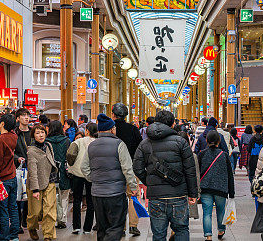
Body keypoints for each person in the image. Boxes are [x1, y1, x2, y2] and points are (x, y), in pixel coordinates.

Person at [133, 110, 199, 241]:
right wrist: (193, 193)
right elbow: (190, 170)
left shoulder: (145, 143)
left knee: (158, 234)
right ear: (173, 123)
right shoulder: (181, 142)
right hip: (178, 195)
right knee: (181, 230)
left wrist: (150, 182)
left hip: (156, 197)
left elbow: (137, 167)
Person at [82, 114, 139, 241]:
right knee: (116, 226)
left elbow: (83, 167)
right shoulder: (119, 144)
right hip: (116, 193)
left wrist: (94, 179)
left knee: (102, 227)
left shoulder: (92, 146)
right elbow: (127, 169)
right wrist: (134, 186)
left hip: (97, 194)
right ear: (112, 129)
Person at [112, 102, 145, 236]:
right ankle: (133, 225)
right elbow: (140, 148)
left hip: (115, 168)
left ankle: (121, 227)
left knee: (118, 198)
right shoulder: (133, 129)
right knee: (133, 196)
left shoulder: (111, 129)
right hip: (131, 167)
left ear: (113, 114)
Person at [197, 130, 235, 241]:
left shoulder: (202, 154)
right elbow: (229, 174)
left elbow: (198, 172)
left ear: (207, 141)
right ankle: (221, 230)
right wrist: (231, 192)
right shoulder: (224, 155)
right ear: (219, 141)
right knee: (221, 211)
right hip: (221, 189)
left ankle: (208, 235)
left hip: (205, 188)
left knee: (207, 213)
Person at [27, 123, 58, 241]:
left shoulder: (49, 145)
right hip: (36, 184)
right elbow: (32, 171)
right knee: (35, 212)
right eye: (37, 133)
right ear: (33, 135)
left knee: (49, 210)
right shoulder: (31, 151)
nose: (41, 135)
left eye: (42, 132)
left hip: (50, 181)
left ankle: (48, 235)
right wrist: (35, 189)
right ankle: (32, 227)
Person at [0, 114, 20, 241]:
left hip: (3, 179)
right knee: (13, 207)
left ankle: (4, 236)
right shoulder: (14, 136)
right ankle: (14, 235)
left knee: (3, 209)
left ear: (2, 124)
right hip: (13, 176)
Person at [66, 122, 97, 234]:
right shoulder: (98, 143)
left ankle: (76, 227)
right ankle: (88, 228)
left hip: (78, 174)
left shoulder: (77, 142)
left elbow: (70, 154)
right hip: (92, 175)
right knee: (90, 201)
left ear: (87, 131)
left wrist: (72, 165)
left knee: (77, 200)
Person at [45, 120, 71, 230]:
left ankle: (53, 219)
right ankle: (62, 219)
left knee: (51, 197)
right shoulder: (66, 141)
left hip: (50, 173)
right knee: (64, 197)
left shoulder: (46, 142)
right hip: (64, 172)